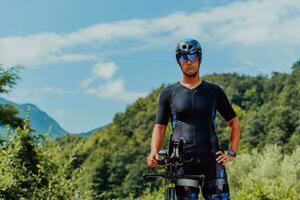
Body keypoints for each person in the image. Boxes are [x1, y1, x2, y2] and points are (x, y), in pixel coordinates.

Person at [146, 38, 241, 199]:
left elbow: (234, 122)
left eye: (192, 56)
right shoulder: (169, 93)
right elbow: (160, 127)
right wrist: (153, 152)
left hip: (212, 160)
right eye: (183, 57)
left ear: (200, 59)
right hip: (182, 163)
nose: (188, 62)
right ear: (178, 62)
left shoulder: (214, 91)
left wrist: (232, 152)